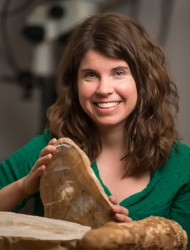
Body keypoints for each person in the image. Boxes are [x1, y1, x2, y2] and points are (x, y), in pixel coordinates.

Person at [0, 12, 190, 248]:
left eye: (118, 72)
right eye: (90, 75)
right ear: (74, 84)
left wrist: (136, 238)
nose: (104, 89)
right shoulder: (49, 149)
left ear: (144, 80)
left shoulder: (182, 165)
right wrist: (23, 186)